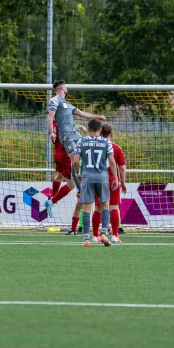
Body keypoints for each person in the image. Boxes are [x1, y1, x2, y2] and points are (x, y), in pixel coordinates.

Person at [45, 79, 105, 217]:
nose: (67, 89)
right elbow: (50, 118)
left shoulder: (67, 103)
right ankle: (81, 187)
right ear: (62, 88)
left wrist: (98, 117)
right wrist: (52, 132)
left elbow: (82, 113)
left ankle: (83, 182)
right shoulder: (55, 100)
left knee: (88, 152)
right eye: (65, 87)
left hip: (75, 134)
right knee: (75, 160)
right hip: (67, 137)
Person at [73, 119, 118, 247]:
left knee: (87, 207)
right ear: (100, 130)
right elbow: (112, 162)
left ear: (88, 128)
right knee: (105, 205)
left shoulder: (81, 141)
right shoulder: (106, 142)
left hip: (87, 177)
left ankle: (87, 239)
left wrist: (78, 173)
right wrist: (115, 178)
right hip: (102, 177)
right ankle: (103, 233)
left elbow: (75, 161)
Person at [92, 124, 126, 243]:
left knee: (98, 208)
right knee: (114, 207)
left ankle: (95, 236)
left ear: (100, 133)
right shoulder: (116, 148)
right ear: (111, 134)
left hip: (97, 179)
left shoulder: (94, 147)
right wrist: (122, 181)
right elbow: (121, 167)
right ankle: (115, 236)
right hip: (112, 179)